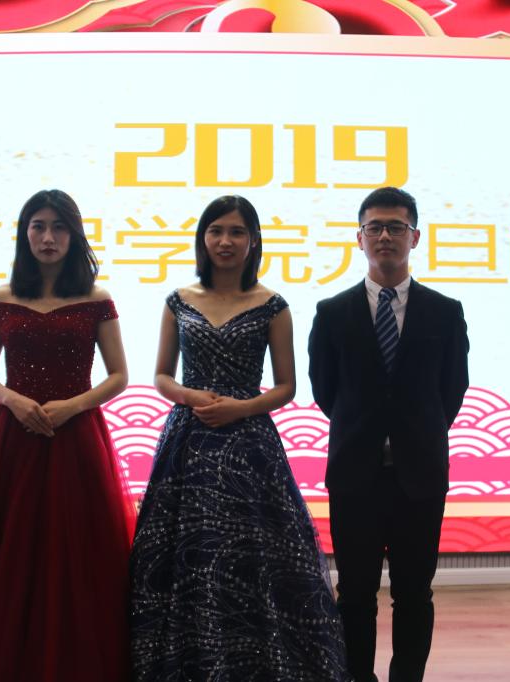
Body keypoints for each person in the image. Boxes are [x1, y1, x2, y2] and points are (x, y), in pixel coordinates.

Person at [0, 189, 135, 681]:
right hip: (15, 437)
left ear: (74, 235)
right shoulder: (4, 297)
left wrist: (72, 407)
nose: (48, 237)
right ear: (24, 233)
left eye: (59, 227)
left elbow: (119, 375)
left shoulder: (97, 299)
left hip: (76, 438)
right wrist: (13, 400)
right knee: (7, 551)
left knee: (79, 551)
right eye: (38, 226)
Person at [130, 195, 348, 681]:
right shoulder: (178, 301)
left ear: (253, 241)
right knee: (189, 555)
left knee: (252, 557)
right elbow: (161, 376)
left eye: (236, 232)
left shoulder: (273, 305)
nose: (225, 241)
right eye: (216, 231)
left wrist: (240, 407)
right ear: (202, 239)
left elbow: (287, 386)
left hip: (250, 448)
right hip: (189, 442)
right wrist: (190, 396)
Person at [308, 187, 469, 682]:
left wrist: (412, 433)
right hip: (355, 475)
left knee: (414, 593)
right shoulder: (332, 312)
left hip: (419, 474)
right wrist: (368, 430)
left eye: (396, 227)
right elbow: (325, 390)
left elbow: (452, 390)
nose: (384, 236)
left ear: (414, 237)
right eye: (374, 227)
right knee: (355, 594)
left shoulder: (445, 311)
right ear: (359, 238)